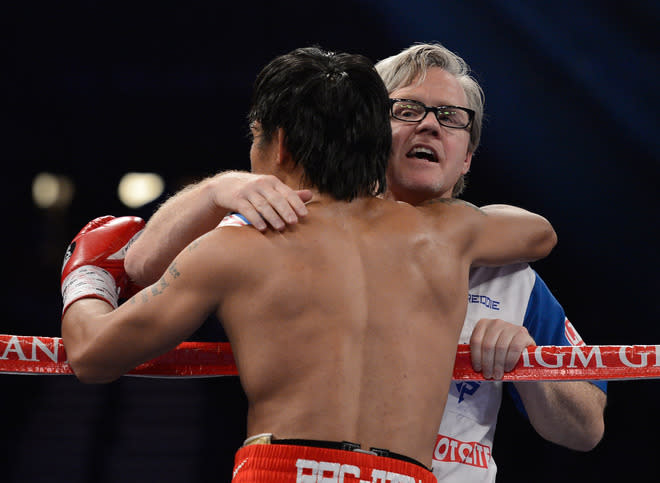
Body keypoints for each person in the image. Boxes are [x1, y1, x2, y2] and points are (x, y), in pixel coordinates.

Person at [61, 46, 556, 482]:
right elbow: (539, 232)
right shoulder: (449, 233)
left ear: (278, 143)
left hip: (284, 470)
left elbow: (92, 356)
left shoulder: (237, 246)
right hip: (406, 474)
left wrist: (88, 274)